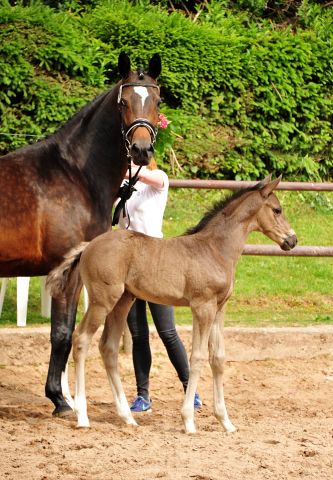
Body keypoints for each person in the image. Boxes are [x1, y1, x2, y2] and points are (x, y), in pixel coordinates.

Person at [116, 158, 202, 413]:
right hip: (128, 264)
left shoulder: (157, 180)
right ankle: (143, 396)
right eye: (126, 157)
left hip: (156, 264)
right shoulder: (122, 185)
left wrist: (126, 169)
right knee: (139, 335)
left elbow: (154, 178)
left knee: (167, 332)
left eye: (133, 158)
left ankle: (190, 388)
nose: (129, 161)